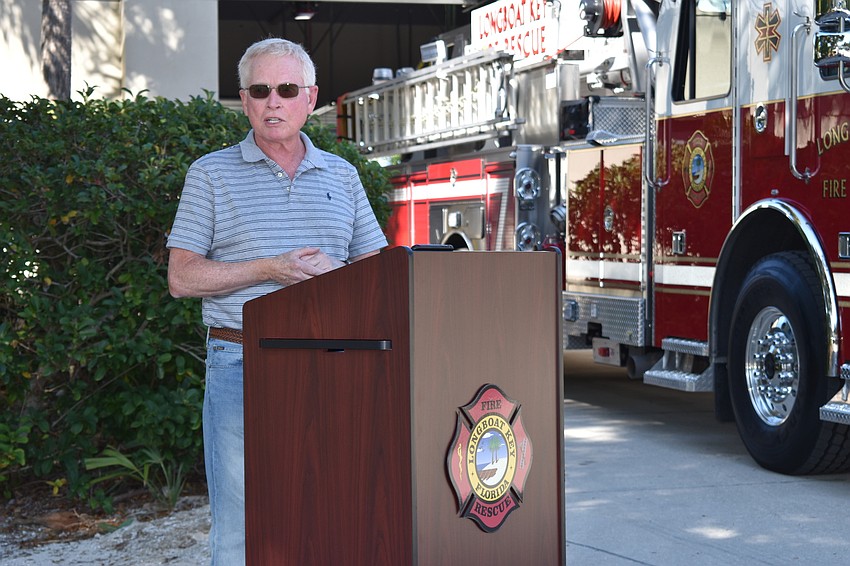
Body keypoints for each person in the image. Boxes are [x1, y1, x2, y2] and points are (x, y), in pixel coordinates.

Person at [166, 37, 387, 565]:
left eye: (287, 89)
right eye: (260, 90)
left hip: (336, 365)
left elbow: (378, 276)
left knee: (333, 508)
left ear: (311, 98)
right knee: (242, 522)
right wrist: (270, 269)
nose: (273, 101)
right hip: (241, 363)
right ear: (243, 100)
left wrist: (339, 276)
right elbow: (181, 278)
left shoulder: (343, 175)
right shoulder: (210, 174)